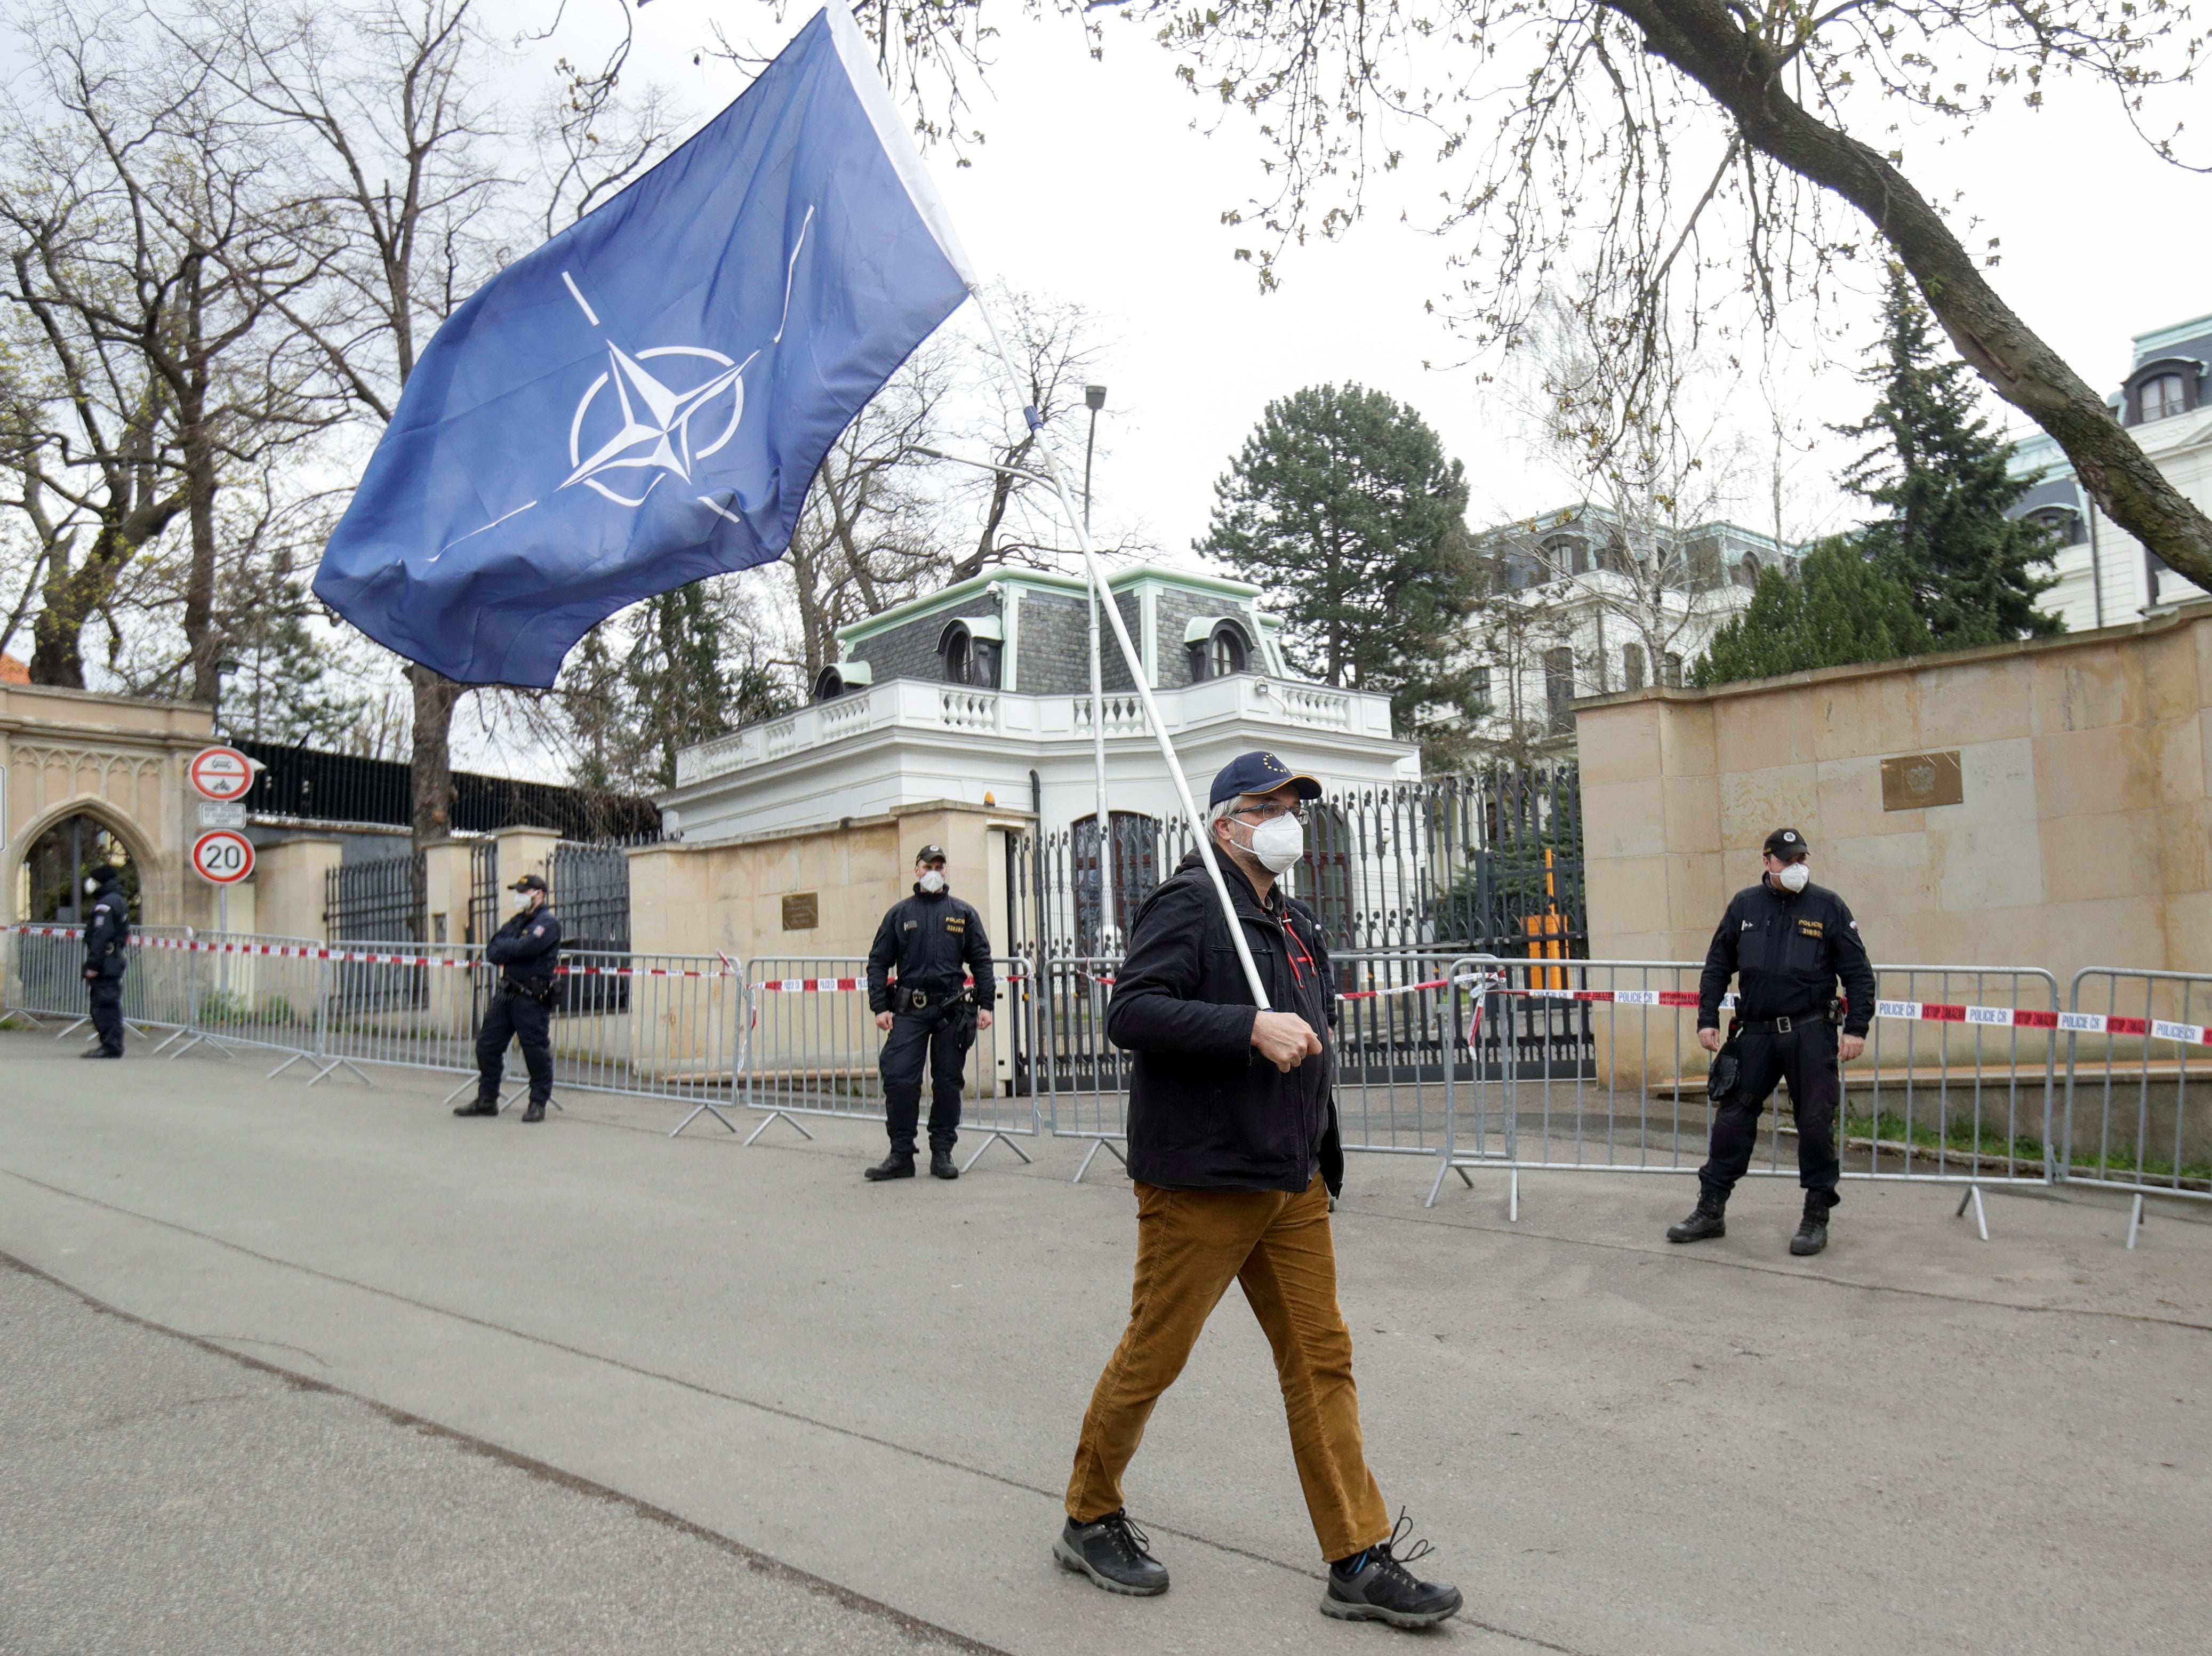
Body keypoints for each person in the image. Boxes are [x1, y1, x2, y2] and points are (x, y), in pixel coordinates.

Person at [1054, 751, 1462, 1631]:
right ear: (1223, 823)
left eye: (1291, 804)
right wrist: (1246, 1028)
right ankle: (1088, 1513)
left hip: (1290, 1175)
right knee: (1155, 1350)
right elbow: (1131, 1010)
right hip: (1203, 1177)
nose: (1284, 818)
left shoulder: (1292, 917)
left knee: (1321, 1358)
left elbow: (1312, 1028)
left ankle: (1355, 1555)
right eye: (1264, 805)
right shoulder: (1190, 902)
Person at [1672, 827, 1877, 1257]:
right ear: (1767, 862)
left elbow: (1858, 973)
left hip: (1810, 1031)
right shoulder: (1746, 904)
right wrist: (1707, 1017)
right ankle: (1710, 1210)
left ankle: (1816, 1216)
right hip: (1756, 1032)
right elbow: (1717, 965)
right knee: (1732, 1121)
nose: (1796, 866)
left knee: (1816, 1124)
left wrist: (1857, 1027)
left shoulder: (1828, 905)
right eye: (1787, 860)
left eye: (1802, 858)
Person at [863, 844, 995, 1182]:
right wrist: (880, 1006)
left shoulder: (962, 913)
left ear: (946, 871)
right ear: (917, 870)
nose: (934, 871)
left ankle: (943, 1152)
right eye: (928, 865)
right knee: (900, 1078)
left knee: (948, 1082)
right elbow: (879, 961)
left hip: (951, 1009)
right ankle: (901, 1154)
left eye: (940, 865)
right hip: (910, 1009)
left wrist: (986, 1004)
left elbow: (981, 960)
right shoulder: (900, 913)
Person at [456, 874, 563, 1124]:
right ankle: (487, 1099)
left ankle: (538, 1102)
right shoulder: (517, 922)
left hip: (531, 997)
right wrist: (514, 947)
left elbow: (528, 948)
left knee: (534, 1050)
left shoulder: (547, 923)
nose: (520, 896)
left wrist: (511, 948)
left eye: (524, 892)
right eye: (519, 891)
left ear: (539, 894)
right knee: (487, 1045)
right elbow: (493, 950)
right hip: (507, 994)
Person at [79, 862, 131, 1060]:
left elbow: (101, 937)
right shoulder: (117, 899)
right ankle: (111, 1044)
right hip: (113, 959)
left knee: (104, 1005)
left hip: (106, 961)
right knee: (108, 1003)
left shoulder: (106, 904)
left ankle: (111, 1046)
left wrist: (93, 965)